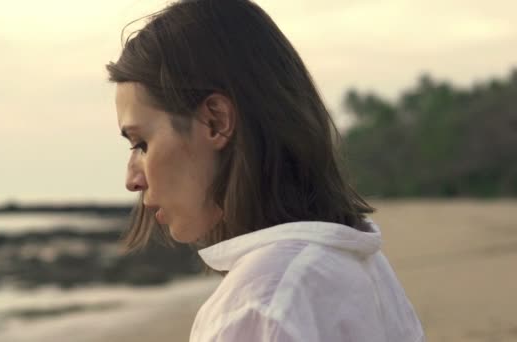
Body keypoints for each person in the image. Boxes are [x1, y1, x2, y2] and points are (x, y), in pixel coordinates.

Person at [107, 0, 425, 341]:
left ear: (215, 121)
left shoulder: (260, 309)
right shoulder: (366, 269)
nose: (132, 179)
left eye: (141, 144)